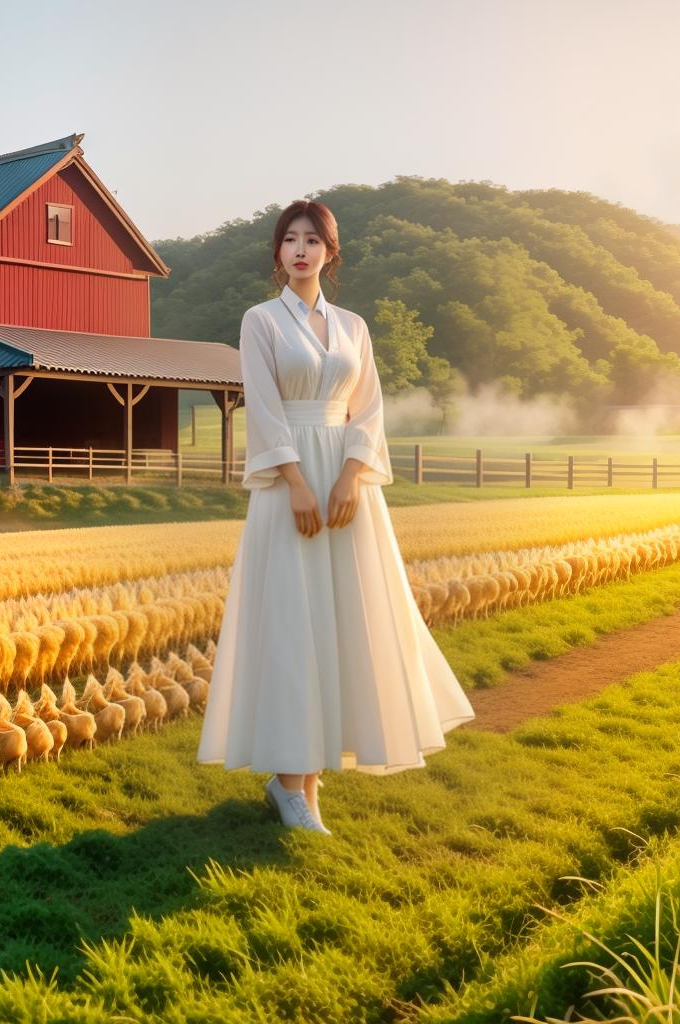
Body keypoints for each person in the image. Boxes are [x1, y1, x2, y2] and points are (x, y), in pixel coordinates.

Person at [196, 199, 476, 834]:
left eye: (312, 240)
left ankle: (308, 778)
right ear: (277, 254)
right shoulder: (260, 321)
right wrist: (294, 481)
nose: (300, 250)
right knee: (295, 622)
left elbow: (368, 408)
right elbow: (263, 408)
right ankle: (291, 782)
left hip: (348, 489)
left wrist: (352, 474)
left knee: (341, 618)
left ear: (329, 252)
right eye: (289, 240)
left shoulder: (353, 326)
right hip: (288, 483)